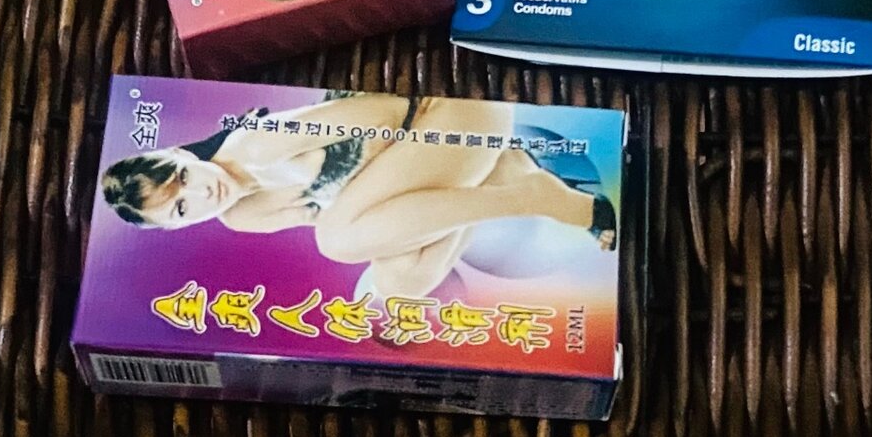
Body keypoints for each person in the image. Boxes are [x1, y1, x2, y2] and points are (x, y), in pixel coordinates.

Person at [101, 92, 617, 299]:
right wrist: (389, 206)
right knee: (399, 281)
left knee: (338, 240)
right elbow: (374, 223)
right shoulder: (244, 216)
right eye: (182, 208)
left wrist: (381, 192)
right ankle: (504, 176)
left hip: (452, 119)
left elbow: (390, 113)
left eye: (183, 177)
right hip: (446, 168)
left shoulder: (258, 141)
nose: (200, 193)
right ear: (181, 226)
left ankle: (536, 196)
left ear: (180, 154)